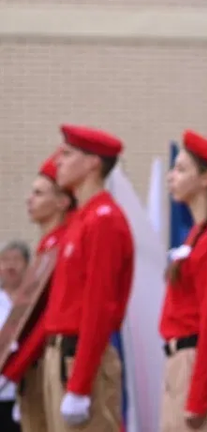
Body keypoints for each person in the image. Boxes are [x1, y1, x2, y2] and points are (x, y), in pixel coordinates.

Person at [3, 126, 134, 432]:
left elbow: (98, 305)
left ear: (92, 163)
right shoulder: (83, 220)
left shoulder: (104, 219)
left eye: (67, 154)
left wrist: (80, 385)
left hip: (77, 357)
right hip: (60, 355)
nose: (58, 162)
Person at [8, 154, 76, 432]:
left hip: (46, 360)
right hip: (33, 365)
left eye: (38, 193)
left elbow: (48, 316)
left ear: (61, 201)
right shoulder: (47, 246)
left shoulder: (62, 245)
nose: (29, 199)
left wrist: (12, 368)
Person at [158, 131, 207, 432]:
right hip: (177, 361)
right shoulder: (196, 235)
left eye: (181, 169)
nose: (171, 177)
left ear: (206, 178)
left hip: (192, 361)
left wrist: (198, 397)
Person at [0, 240, 31, 432]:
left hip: (27, 391)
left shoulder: (34, 299)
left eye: (16, 260)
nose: (10, 265)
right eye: (5, 260)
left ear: (28, 265)